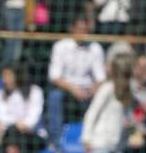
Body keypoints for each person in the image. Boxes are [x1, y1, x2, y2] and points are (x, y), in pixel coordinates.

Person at [45, 13, 106, 144]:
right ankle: (55, 142)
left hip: (88, 90)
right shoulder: (60, 47)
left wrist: (92, 89)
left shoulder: (95, 48)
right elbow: (54, 76)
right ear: (72, 30)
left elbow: (101, 78)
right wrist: (73, 89)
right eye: (80, 29)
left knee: (102, 96)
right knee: (55, 96)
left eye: (85, 30)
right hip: (66, 88)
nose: (83, 33)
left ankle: (92, 139)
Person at [81, 54, 133, 153]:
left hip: (116, 147)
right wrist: (86, 138)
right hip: (99, 146)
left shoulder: (127, 92)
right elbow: (91, 113)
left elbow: (125, 116)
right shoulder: (106, 89)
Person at [0, 63, 45, 153]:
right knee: (12, 135)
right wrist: (16, 123)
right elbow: (2, 116)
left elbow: (34, 117)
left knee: (17, 139)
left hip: (33, 136)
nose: (4, 80)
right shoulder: (1, 94)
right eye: (3, 76)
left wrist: (23, 125)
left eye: (8, 76)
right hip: (10, 133)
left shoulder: (35, 92)